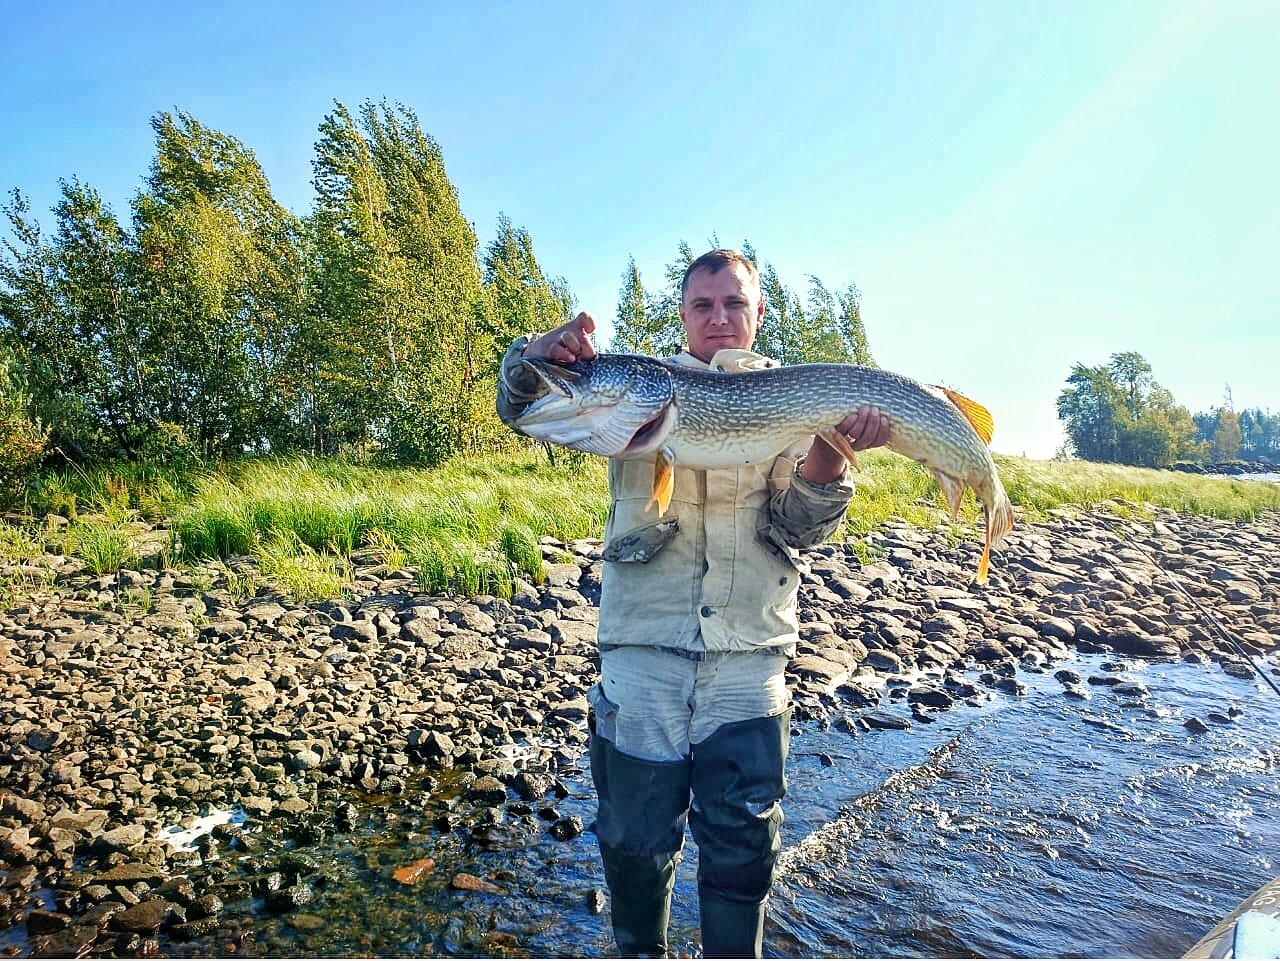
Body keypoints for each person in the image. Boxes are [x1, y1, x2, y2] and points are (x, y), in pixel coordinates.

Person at [496, 249, 889, 958]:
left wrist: (828, 463)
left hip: (748, 659)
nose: (718, 318)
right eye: (702, 305)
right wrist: (531, 354)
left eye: (734, 304)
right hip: (642, 652)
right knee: (634, 845)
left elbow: (797, 530)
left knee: (742, 854)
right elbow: (523, 403)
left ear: (758, 314)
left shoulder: (796, 397)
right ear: (682, 315)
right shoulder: (632, 390)